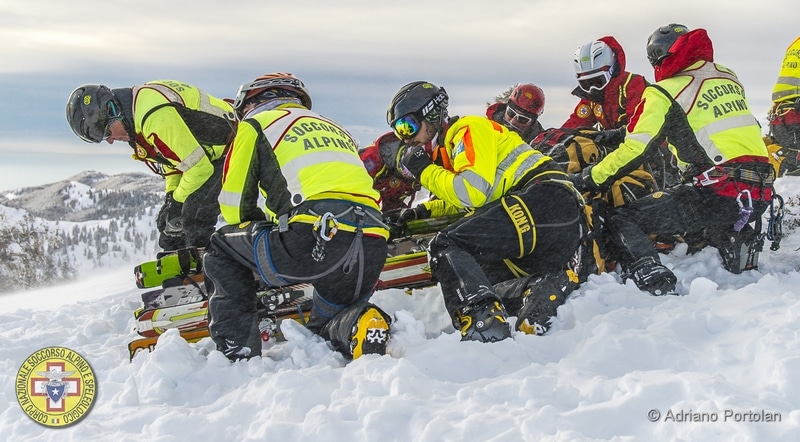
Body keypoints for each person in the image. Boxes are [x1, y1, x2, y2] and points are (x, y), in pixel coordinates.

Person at [569, 24, 775, 296]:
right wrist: (618, 133)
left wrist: (589, 178)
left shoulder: (663, 91)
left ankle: (649, 273)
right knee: (694, 215)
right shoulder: (727, 76)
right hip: (761, 191)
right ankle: (731, 237)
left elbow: (635, 149)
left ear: (657, 59)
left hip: (718, 193)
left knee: (623, 218)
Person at [202, 73, 391, 361]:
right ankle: (364, 323)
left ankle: (236, 350)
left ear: (252, 102)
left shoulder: (256, 124)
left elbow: (234, 207)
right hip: (372, 242)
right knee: (326, 327)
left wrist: (258, 244)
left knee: (221, 246)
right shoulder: (337, 129)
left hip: (312, 237)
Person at [387, 81, 586, 342]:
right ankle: (537, 288)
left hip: (544, 199)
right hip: (551, 222)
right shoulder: (450, 150)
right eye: (399, 130)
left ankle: (483, 322)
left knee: (444, 245)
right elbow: (463, 201)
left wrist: (424, 170)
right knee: (475, 275)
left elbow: (471, 192)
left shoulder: (467, 128)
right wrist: (415, 216)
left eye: (408, 126)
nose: (405, 137)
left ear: (432, 113)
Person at [66, 80, 234, 252]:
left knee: (195, 215)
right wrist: (171, 197)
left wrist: (177, 201)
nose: (110, 140)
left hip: (234, 147)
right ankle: (186, 259)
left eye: (106, 133)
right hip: (215, 155)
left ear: (112, 112)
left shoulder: (155, 118)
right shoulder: (135, 117)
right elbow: (174, 162)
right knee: (171, 227)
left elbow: (200, 168)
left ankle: (214, 261)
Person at [766, 35, 800, 176]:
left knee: (789, 156)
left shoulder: (795, 43)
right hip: (793, 116)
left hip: (783, 115)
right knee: (793, 164)